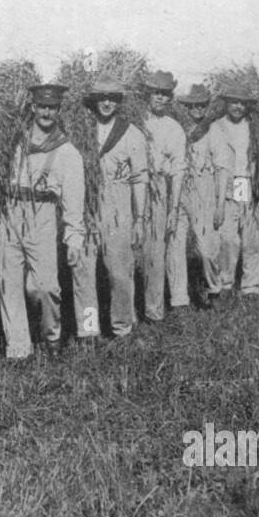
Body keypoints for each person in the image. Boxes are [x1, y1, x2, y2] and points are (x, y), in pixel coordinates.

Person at [0, 83, 86, 360]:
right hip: (10, 211)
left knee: (44, 286)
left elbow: (74, 201)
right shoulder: (13, 139)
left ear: (59, 110)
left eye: (52, 107)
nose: (47, 112)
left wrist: (74, 239)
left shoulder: (67, 152)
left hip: (43, 216)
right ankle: (19, 348)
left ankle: (52, 337)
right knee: (8, 282)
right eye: (42, 107)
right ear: (33, 108)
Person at [80, 76, 148, 338]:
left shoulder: (131, 133)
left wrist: (139, 218)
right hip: (87, 203)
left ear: (118, 102)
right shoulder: (81, 128)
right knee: (84, 272)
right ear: (94, 101)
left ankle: (122, 328)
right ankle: (88, 330)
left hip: (118, 205)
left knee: (119, 271)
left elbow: (140, 178)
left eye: (112, 98)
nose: (106, 103)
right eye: (101, 98)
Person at [208, 85, 259, 299]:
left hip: (247, 182)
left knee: (251, 237)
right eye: (234, 102)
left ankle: (251, 285)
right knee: (228, 238)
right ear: (226, 104)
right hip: (226, 184)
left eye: (242, 103)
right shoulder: (217, 126)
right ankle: (226, 281)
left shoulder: (254, 126)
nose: (238, 107)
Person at [139, 71, 187, 320]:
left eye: (165, 93)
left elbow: (178, 170)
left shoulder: (174, 129)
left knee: (156, 249)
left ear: (170, 98)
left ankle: (154, 310)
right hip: (133, 184)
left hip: (158, 186)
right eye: (156, 92)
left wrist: (174, 208)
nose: (159, 97)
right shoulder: (135, 119)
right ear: (147, 93)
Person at [170, 84, 220, 309]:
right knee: (176, 243)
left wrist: (219, 201)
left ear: (207, 106)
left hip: (203, 186)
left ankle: (214, 288)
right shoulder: (180, 129)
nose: (197, 109)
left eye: (202, 105)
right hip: (179, 187)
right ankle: (179, 298)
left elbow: (221, 166)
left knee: (205, 246)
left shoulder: (214, 130)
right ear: (187, 107)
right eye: (193, 105)